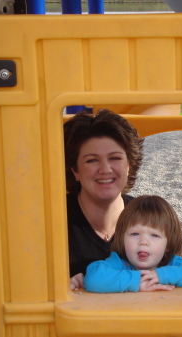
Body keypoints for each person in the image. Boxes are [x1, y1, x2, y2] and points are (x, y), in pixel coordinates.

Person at [64, 109, 144, 290]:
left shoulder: (148, 217)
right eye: (92, 160)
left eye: (115, 158)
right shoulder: (53, 222)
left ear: (129, 165)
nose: (105, 169)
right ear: (75, 170)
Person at [84, 195, 182, 293]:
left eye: (154, 235)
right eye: (135, 234)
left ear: (168, 245)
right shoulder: (120, 263)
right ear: (122, 239)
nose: (143, 242)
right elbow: (93, 278)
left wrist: (164, 275)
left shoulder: (171, 264)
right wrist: (136, 281)